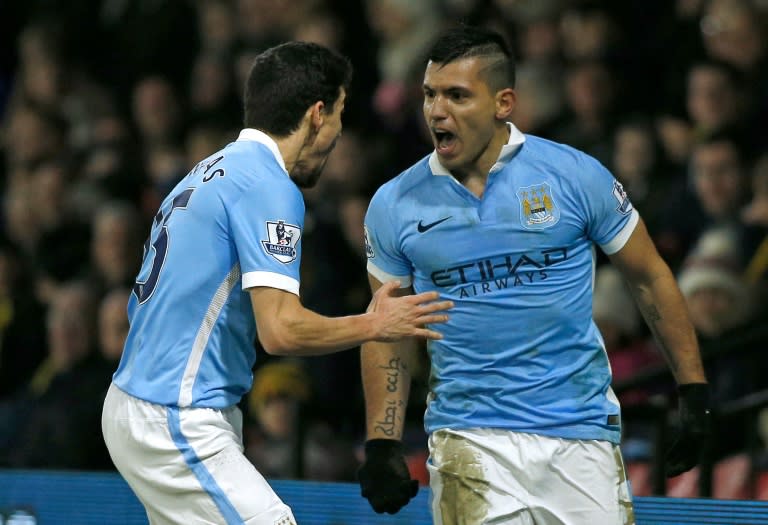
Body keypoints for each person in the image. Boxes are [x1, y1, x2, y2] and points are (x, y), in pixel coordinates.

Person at [357, 25, 712, 524]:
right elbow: (386, 327)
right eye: (430, 95)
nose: (437, 111)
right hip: (470, 438)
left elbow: (649, 277)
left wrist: (693, 391)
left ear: (504, 103)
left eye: (457, 95)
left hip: (580, 432)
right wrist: (382, 441)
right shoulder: (394, 204)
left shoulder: (574, 175)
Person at [101, 41, 452, 525]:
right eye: (340, 115)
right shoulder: (267, 185)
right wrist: (375, 324)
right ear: (317, 114)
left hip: (150, 404)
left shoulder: (207, 172)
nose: (339, 133)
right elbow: (281, 330)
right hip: (174, 414)